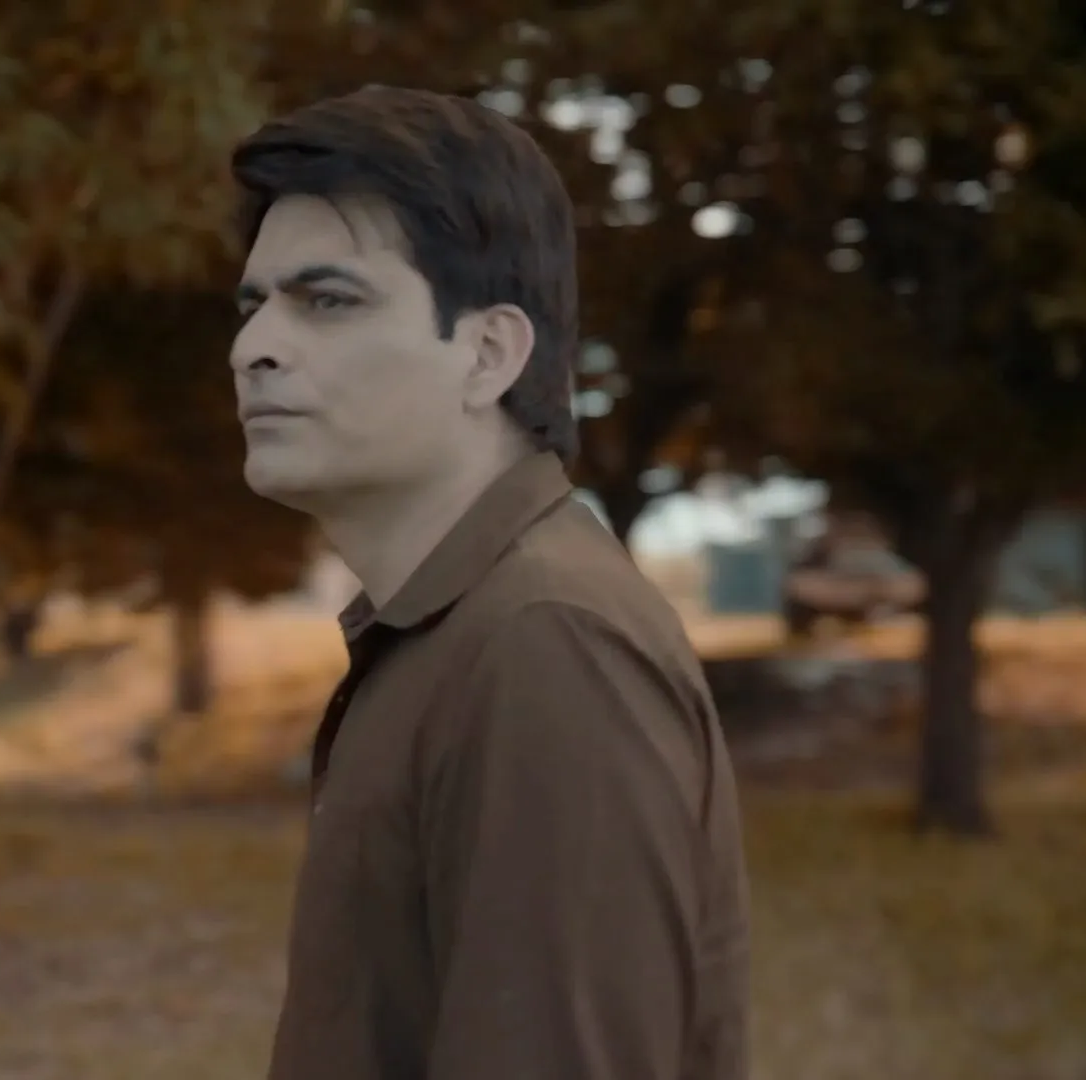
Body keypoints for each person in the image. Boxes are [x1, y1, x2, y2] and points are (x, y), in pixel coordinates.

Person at [227, 86, 750, 1080]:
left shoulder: (546, 644)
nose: (252, 349)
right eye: (252, 307)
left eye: (327, 301)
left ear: (489, 354)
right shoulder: (455, 627)